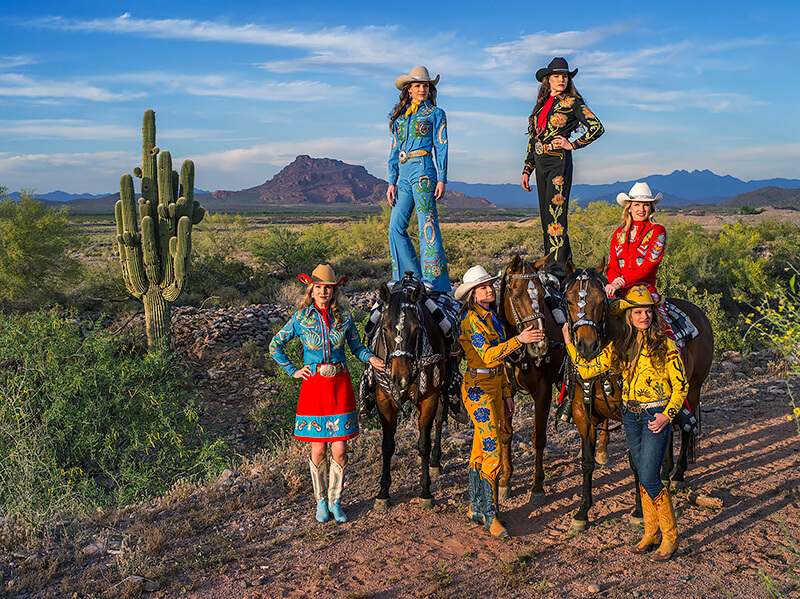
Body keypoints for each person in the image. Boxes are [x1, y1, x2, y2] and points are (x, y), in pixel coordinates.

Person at [561, 285, 687, 561]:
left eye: (647, 312)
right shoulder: (620, 347)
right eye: (638, 312)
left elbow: (681, 387)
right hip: (630, 416)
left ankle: (671, 536)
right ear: (628, 316)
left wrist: (668, 414)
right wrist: (570, 344)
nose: (644, 317)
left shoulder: (665, 345)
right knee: (643, 475)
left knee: (652, 477)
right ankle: (651, 532)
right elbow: (587, 369)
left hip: (656, 414)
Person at [269, 264, 385, 523]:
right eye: (319, 287)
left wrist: (372, 358)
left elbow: (356, 347)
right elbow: (275, 344)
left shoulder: (344, 317)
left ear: (334, 291)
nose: (323, 292)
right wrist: (293, 370)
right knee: (319, 450)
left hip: (340, 385)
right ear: (311, 289)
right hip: (314, 387)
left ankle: (336, 501)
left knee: (340, 450)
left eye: (328, 288)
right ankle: (321, 501)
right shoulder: (300, 319)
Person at [456, 265, 544, 537]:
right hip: (478, 389)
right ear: (472, 294)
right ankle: (491, 516)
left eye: (490, 285)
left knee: (481, 449)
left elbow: (501, 363)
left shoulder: (492, 319)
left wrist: (507, 393)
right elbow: (488, 355)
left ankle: (476, 508)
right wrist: (520, 339)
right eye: (483, 287)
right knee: (493, 448)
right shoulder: (470, 321)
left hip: (494, 386)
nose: (490, 289)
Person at [520, 57, 604, 283]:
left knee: (557, 214)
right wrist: (527, 168)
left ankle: (557, 270)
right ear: (548, 80)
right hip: (540, 161)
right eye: (556, 76)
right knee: (546, 215)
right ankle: (555, 263)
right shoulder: (542, 104)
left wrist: (573, 144)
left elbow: (597, 128)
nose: (561, 80)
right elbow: (533, 137)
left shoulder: (574, 103)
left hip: (558, 161)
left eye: (565, 76)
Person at [387, 66, 450, 294]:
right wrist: (391, 180)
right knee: (395, 228)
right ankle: (406, 277)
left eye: (425, 85)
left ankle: (434, 280)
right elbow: (394, 149)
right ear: (409, 90)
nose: (422, 89)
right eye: (417, 85)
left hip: (424, 171)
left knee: (427, 225)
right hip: (403, 175)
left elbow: (441, 146)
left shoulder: (436, 114)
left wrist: (442, 178)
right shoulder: (400, 118)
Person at [605, 181, 675, 338]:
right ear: (629, 207)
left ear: (651, 208)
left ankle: (674, 359)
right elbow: (612, 265)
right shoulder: (619, 234)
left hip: (646, 292)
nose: (641, 209)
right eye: (637, 205)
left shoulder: (657, 231)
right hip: (619, 292)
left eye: (646, 205)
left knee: (665, 336)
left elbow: (648, 267)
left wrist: (620, 282)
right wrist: (613, 281)